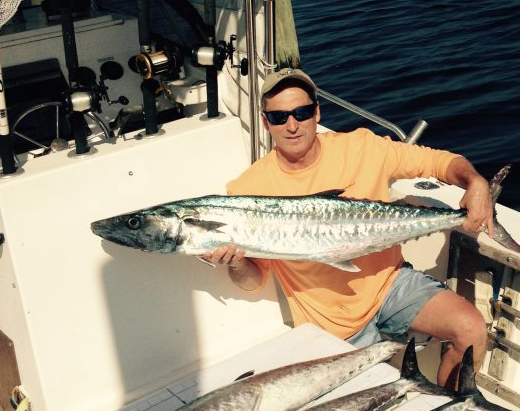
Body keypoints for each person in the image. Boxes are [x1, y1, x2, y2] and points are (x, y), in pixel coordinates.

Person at [206, 67, 496, 389]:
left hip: (390, 284)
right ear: (265, 122)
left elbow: (438, 162)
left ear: (317, 111)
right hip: (331, 319)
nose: (292, 125)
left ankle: (449, 408)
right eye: (279, 117)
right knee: (372, 404)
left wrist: (475, 181)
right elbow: (254, 279)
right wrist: (236, 261)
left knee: (470, 330)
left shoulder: (361, 147)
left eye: (301, 113)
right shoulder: (249, 191)